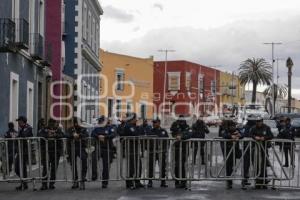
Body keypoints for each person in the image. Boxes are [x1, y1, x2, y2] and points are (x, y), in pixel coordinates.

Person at [120, 113, 144, 189]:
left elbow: (141, 134)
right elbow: (136, 135)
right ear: (132, 119)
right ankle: (129, 182)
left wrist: (139, 127)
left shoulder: (134, 126)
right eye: (135, 118)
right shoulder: (128, 126)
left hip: (136, 149)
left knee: (138, 166)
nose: (136, 120)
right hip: (130, 149)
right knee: (131, 167)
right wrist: (138, 127)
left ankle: (137, 181)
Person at [38, 118, 64, 190]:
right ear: (48, 123)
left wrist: (54, 134)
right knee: (45, 168)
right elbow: (39, 135)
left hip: (56, 151)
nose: (52, 124)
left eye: (53, 123)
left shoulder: (58, 129)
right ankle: (44, 184)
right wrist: (48, 135)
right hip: (46, 151)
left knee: (54, 168)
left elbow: (62, 135)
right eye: (51, 123)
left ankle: (52, 183)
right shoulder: (44, 129)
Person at [91, 116, 116, 188]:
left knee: (106, 166)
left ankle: (105, 182)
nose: (100, 122)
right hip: (98, 148)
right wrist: (98, 136)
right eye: (100, 121)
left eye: (102, 121)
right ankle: (94, 174)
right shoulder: (97, 128)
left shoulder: (110, 127)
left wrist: (105, 137)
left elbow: (113, 134)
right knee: (93, 159)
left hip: (107, 149)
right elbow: (92, 134)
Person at [250, 117, 273, 189]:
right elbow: (249, 134)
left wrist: (264, 138)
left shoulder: (266, 127)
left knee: (263, 165)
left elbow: (271, 136)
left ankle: (264, 181)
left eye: (260, 121)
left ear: (262, 121)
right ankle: (258, 182)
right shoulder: (253, 128)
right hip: (255, 149)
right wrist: (254, 137)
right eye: (257, 121)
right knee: (256, 165)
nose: (258, 123)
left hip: (264, 149)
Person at [66, 117, 89, 190]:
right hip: (72, 149)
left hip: (81, 148)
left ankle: (82, 179)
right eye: (77, 123)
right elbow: (66, 135)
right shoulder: (70, 129)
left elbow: (86, 135)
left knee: (84, 161)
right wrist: (73, 135)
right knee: (73, 165)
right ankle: (75, 181)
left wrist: (79, 135)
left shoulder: (83, 129)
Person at [170, 115, 192, 189]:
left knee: (182, 165)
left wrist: (181, 137)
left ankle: (183, 181)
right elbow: (172, 132)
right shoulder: (176, 125)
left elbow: (189, 134)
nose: (181, 122)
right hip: (176, 148)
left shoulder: (187, 127)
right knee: (176, 165)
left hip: (184, 149)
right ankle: (177, 181)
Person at [146, 118, 169, 188]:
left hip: (161, 152)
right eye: (153, 122)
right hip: (152, 152)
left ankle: (163, 181)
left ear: (159, 123)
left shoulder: (163, 131)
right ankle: (150, 181)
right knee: (150, 167)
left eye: (155, 122)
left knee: (162, 166)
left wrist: (165, 149)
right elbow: (147, 141)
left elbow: (167, 141)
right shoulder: (150, 131)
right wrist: (148, 148)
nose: (154, 124)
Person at [220, 119, 241, 189]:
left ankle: (231, 180)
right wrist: (231, 136)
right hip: (227, 150)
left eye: (234, 126)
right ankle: (229, 182)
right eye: (232, 126)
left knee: (232, 166)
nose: (233, 127)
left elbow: (242, 134)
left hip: (235, 150)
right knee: (229, 167)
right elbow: (223, 135)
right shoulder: (225, 130)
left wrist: (239, 135)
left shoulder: (236, 129)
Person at [15, 116, 33, 191]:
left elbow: (24, 136)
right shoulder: (21, 129)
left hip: (25, 151)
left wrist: (19, 135)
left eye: (19, 121)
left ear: (23, 121)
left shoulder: (28, 128)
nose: (18, 123)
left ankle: (24, 183)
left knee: (22, 168)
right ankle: (24, 182)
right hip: (20, 150)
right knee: (17, 168)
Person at [240, 114, 256, 189]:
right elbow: (244, 135)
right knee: (247, 165)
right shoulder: (247, 127)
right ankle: (244, 180)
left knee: (253, 164)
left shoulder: (250, 126)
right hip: (247, 148)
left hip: (253, 147)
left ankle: (257, 180)